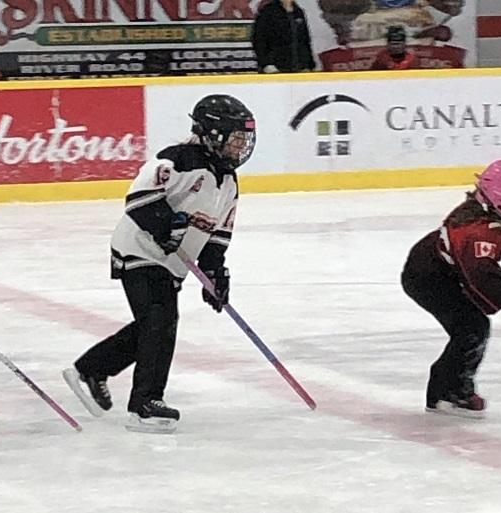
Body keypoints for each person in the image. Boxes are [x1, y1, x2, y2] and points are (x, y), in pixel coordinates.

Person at [62, 95, 255, 434]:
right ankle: (145, 404)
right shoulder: (177, 159)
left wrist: (215, 273)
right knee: (160, 318)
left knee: (153, 324)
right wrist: (165, 226)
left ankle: (91, 369)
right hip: (139, 250)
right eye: (236, 138)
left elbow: (218, 234)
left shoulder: (228, 182)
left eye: (244, 140)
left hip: (171, 264)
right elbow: (139, 200)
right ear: (212, 133)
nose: (241, 147)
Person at [401, 160, 501, 418]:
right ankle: (448, 394)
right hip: (427, 278)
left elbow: (483, 269)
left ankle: (450, 389)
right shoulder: (476, 230)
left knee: (471, 326)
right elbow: (482, 273)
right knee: (471, 328)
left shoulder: (486, 213)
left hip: (445, 272)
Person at [252, 0, 316, 73]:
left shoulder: (298, 12)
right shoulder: (267, 11)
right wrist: (266, 64)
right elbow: (259, 40)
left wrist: (308, 65)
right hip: (275, 68)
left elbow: (305, 40)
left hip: (299, 67)